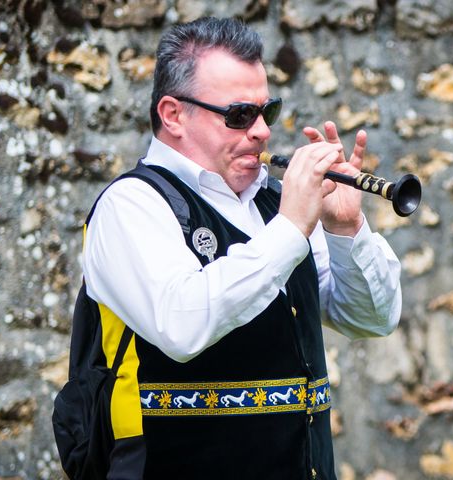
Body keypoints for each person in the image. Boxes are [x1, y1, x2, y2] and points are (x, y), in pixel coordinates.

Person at [81, 16, 401, 480]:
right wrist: (292, 227)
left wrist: (346, 228)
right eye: (238, 115)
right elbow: (181, 325)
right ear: (173, 115)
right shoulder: (130, 204)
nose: (262, 132)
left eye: (265, 112)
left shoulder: (276, 203)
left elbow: (370, 319)